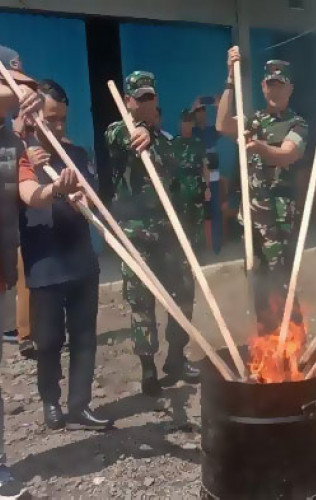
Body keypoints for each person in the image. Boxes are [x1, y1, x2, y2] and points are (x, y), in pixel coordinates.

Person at [0, 46, 75, 499]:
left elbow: (28, 192)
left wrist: (53, 190)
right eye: (18, 86)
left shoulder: (11, 141)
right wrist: (5, 90)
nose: (28, 99)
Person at [19, 79, 114, 431]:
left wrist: (82, 198)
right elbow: (16, 199)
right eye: (51, 119)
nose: (58, 127)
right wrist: (33, 168)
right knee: (47, 341)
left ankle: (80, 405)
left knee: (84, 337)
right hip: (43, 261)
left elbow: (92, 198)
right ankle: (50, 401)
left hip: (81, 260)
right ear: (33, 117)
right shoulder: (20, 156)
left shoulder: (76, 154)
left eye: (62, 120)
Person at [106, 71, 200, 397]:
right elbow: (122, 137)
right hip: (136, 233)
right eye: (139, 97)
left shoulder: (167, 142)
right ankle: (148, 370)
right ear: (128, 101)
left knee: (184, 292)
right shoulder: (119, 132)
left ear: (156, 100)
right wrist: (141, 131)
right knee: (141, 301)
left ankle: (176, 358)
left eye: (150, 97)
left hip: (168, 232)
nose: (145, 102)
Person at [216, 51, 308, 334]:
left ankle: (292, 341)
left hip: (280, 220)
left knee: (282, 281)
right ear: (262, 86)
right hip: (253, 219)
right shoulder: (253, 121)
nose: (274, 90)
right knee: (258, 280)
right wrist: (230, 79)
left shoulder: (297, 123)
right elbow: (222, 125)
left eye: (280, 85)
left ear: (290, 89)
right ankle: (266, 342)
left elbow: (287, 154)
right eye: (270, 84)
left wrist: (260, 148)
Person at [172, 109, 209, 264]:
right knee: (181, 224)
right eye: (184, 122)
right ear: (180, 123)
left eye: (189, 122)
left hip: (197, 190)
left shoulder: (198, 144)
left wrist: (208, 188)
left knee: (198, 224)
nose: (186, 125)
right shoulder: (173, 143)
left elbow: (206, 167)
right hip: (179, 191)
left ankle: (198, 257)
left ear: (193, 124)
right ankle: (183, 258)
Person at [192, 97, 223, 254]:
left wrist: (217, 105)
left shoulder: (213, 131)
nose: (201, 114)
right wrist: (195, 105)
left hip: (215, 180)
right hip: (199, 181)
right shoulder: (193, 132)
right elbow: (186, 123)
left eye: (203, 111)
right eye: (198, 112)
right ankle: (201, 250)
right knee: (199, 215)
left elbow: (223, 123)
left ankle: (216, 249)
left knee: (216, 213)